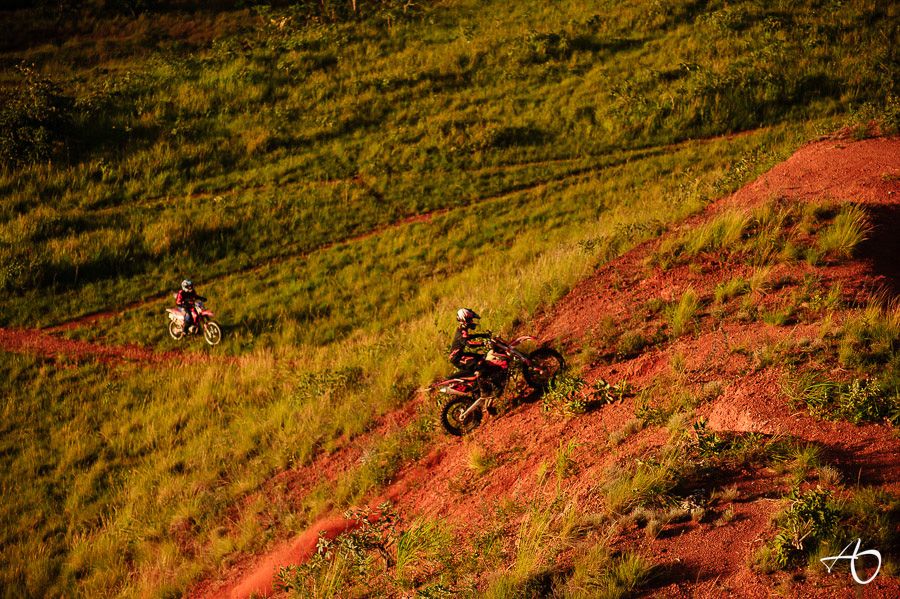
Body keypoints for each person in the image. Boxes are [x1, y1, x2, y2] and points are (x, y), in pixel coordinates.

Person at [448, 308, 500, 401]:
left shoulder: (463, 329)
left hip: (460, 355)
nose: (472, 321)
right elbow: (469, 343)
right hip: (457, 358)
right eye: (469, 320)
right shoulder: (462, 331)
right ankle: (485, 392)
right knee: (480, 364)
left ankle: (479, 388)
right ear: (464, 320)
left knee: (484, 358)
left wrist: (483, 335)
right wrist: (483, 343)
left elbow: (469, 337)